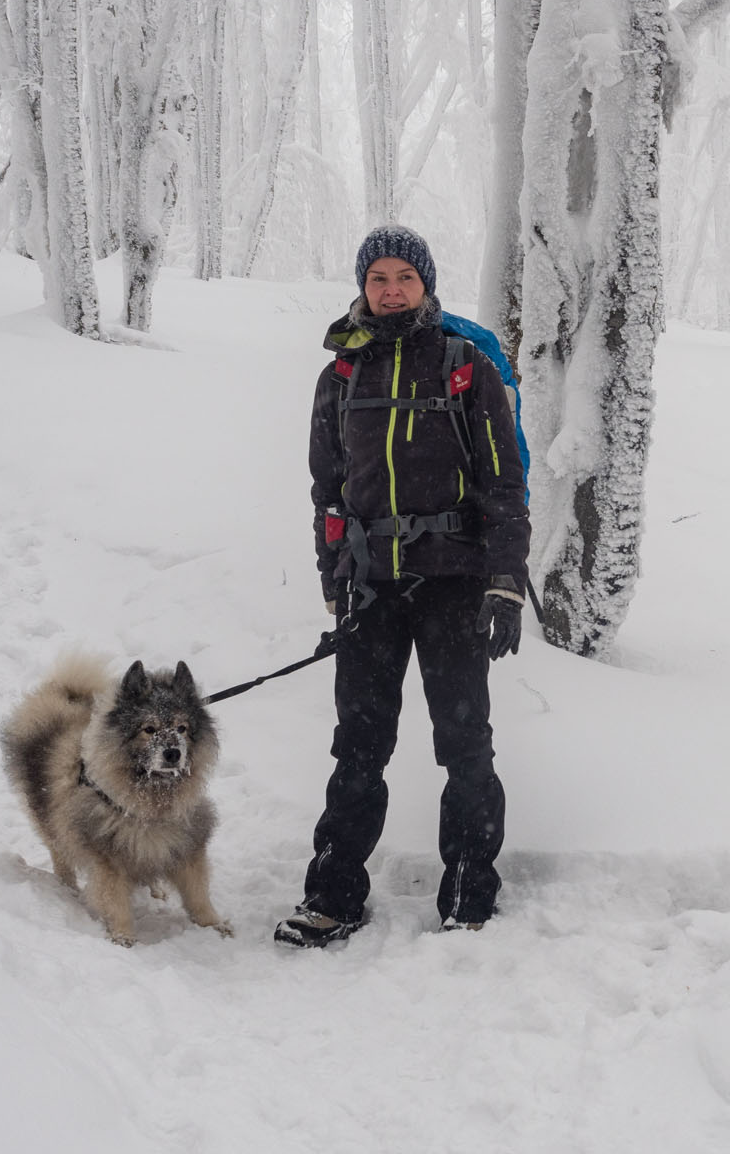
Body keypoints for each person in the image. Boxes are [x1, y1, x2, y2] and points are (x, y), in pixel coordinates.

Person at [275, 226, 530, 948]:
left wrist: (506, 583)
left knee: (465, 746)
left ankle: (470, 894)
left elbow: (505, 486)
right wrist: (335, 583)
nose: (391, 289)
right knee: (358, 746)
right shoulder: (341, 376)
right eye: (378, 277)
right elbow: (327, 494)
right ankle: (332, 898)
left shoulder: (465, 366)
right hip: (370, 588)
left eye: (404, 278)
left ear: (426, 284)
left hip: (453, 583)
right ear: (363, 286)